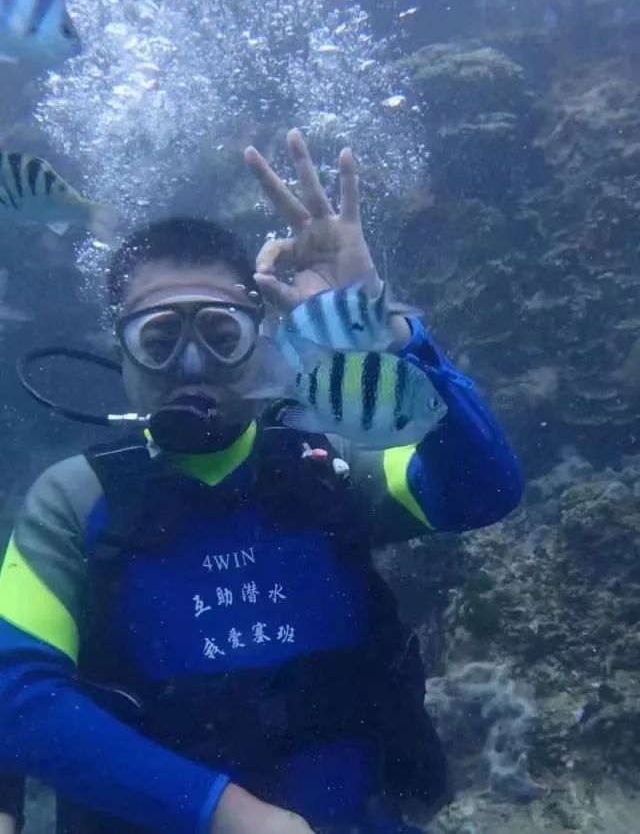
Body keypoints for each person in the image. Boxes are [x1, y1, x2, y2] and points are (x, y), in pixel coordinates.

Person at [0, 129, 523, 833]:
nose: (191, 366)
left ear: (261, 333)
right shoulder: (76, 499)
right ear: (119, 351)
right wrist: (224, 811)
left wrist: (388, 327)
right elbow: (14, 696)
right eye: (158, 339)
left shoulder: (329, 463)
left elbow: (486, 488)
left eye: (221, 334)